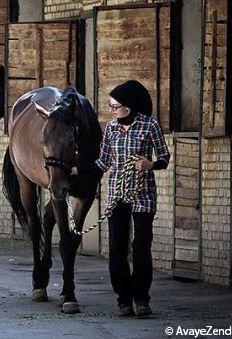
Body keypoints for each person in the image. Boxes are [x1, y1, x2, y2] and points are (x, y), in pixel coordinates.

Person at [72, 80, 170, 316]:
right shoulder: (111, 128)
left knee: (141, 247)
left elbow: (165, 157)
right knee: (117, 248)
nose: (112, 110)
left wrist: (151, 165)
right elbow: (103, 162)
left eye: (115, 106)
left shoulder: (150, 125)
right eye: (111, 106)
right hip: (116, 195)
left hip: (142, 194)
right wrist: (78, 171)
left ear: (130, 106)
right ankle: (123, 299)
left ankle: (142, 299)